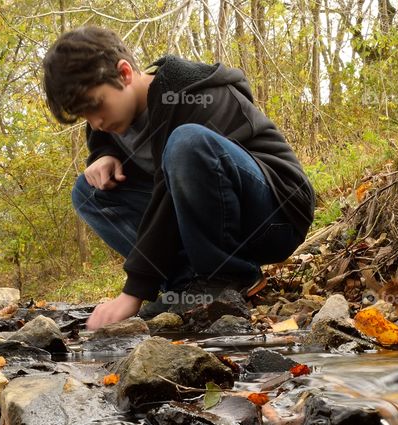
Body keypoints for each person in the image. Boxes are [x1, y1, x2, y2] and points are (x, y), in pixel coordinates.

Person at [42, 26, 315, 330]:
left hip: (275, 215)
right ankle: (187, 286)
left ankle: (228, 276)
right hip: (211, 221)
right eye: (85, 117)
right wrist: (101, 155)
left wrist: (135, 290)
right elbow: (102, 135)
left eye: (96, 107)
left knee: (186, 143)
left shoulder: (195, 95)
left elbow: (167, 195)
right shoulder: (109, 123)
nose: (96, 122)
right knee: (87, 191)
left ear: (124, 73)